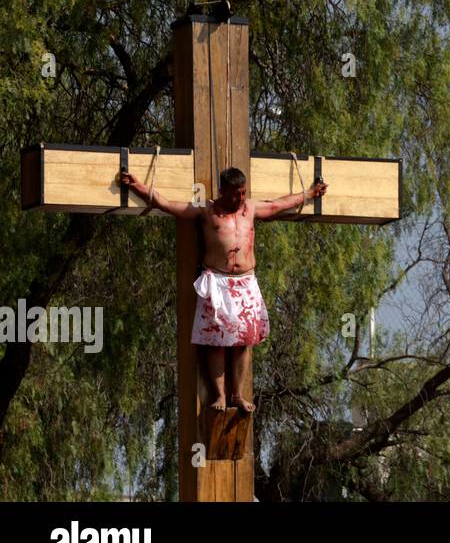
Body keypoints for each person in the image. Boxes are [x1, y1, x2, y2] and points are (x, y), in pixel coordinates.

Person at [118, 165, 327, 413]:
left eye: (242, 192)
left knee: (243, 342)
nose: (238, 198)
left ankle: (237, 394)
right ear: (221, 190)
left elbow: (279, 204)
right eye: (233, 194)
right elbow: (167, 204)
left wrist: (310, 193)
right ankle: (219, 395)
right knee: (215, 342)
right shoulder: (207, 211)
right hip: (217, 282)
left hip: (246, 281)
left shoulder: (250, 209)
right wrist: (138, 186)